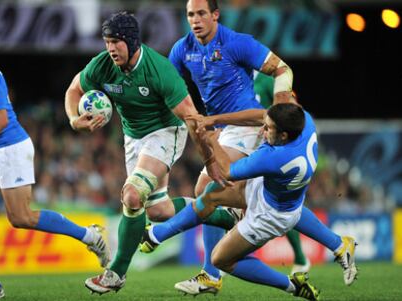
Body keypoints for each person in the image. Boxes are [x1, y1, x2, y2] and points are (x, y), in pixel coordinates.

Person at [64, 11, 226, 295]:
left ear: (131, 41)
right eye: (107, 42)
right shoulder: (102, 65)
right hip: (133, 137)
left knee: (132, 194)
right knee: (158, 210)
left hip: (166, 131)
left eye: (116, 41)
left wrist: (210, 161)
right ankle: (223, 213)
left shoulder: (160, 71)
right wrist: (73, 119)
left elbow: (192, 119)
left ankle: (116, 273)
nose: (111, 48)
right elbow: (74, 89)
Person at [140, 103, 358, 299]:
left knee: (221, 260)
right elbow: (270, 112)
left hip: (269, 216)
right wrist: (217, 119)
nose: (263, 130)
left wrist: (210, 142)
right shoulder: (305, 122)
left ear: (283, 136)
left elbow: (226, 171)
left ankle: (291, 285)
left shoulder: (274, 158)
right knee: (211, 193)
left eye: (268, 128)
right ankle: (156, 235)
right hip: (272, 191)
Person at [166, 0, 297, 295]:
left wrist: (280, 105)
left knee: (207, 189)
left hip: (248, 126)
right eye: (190, 14)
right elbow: (169, 88)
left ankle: (212, 270)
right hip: (221, 131)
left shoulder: (237, 43)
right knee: (218, 195)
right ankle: (220, 259)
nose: (195, 20)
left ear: (215, 15)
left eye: (201, 13)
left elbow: (281, 69)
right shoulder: (181, 49)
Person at [0, 69, 110, 272]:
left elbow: (0, 120)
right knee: (18, 218)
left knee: (21, 217)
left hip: (8, 148)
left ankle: (88, 236)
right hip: (6, 149)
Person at [254, 71, 310, 274]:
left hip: (269, 151)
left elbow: (294, 109)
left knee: (279, 205)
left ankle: (302, 256)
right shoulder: (233, 79)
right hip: (246, 147)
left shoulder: (266, 81)